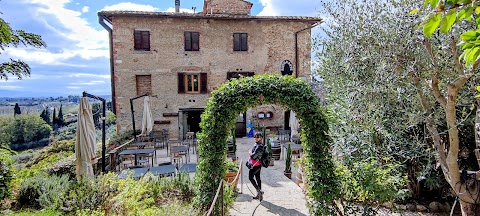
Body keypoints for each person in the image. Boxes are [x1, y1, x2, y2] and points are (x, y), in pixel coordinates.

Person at [248, 132, 265, 201]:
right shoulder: (259, 144)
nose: (255, 138)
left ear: (260, 138)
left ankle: (259, 191)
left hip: (255, 165)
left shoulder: (259, 146)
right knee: (258, 178)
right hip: (258, 164)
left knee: (250, 177)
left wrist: (250, 152)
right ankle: (259, 195)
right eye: (255, 137)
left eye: (257, 137)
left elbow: (253, 156)